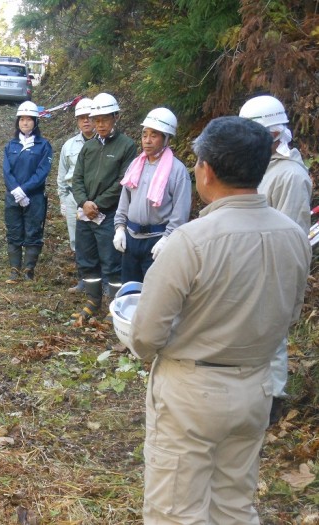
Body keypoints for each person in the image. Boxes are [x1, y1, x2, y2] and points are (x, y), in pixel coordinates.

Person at [131, 116, 311, 525]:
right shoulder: (294, 237)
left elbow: (145, 335)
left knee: (176, 511)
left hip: (193, 390)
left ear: (207, 171)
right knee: (234, 504)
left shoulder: (191, 241)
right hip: (255, 386)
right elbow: (290, 313)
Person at [239, 94, 314, 423]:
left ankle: (272, 402)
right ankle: (252, 395)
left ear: (272, 136)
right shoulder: (262, 168)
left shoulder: (291, 176)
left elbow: (292, 235)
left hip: (273, 270)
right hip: (251, 265)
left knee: (271, 339)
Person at [70, 92, 137, 320]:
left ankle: (116, 305)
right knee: (86, 260)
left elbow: (123, 182)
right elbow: (76, 179)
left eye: (105, 119)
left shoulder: (126, 146)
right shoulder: (88, 147)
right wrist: (84, 202)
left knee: (112, 263)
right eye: (96, 119)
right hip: (86, 214)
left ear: (115, 117)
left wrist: (97, 204)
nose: (100, 124)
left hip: (108, 215)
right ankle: (93, 300)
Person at [113, 108, 191, 283]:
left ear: (166, 138)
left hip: (157, 241)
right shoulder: (136, 165)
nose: (147, 141)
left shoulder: (177, 171)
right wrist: (119, 228)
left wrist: (167, 239)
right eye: (144, 134)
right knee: (129, 289)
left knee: (153, 292)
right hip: (131, 238)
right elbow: (125, 199)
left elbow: (181, 212)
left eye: (154, 135)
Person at [2, 101, 53, 283]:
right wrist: (16, 191)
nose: (25, 123)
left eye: (29, 119)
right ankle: (15, 269)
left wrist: (25, 191)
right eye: (22, 119)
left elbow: (42, 171)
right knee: (14, 231)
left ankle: (29, 269)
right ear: (17, 122)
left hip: (35, 197)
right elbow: (6, 170)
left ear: (36, 122)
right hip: (12, 196)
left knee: (33, 232)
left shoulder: (43, 145)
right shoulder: (11, 146)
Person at [57, 97, 95, 252]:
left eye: (89, 117)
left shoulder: (104, 143)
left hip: (97, 199)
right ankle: (82, 271)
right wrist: (63, 200)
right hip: (74, 198)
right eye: (81, 118)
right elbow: (62, 175)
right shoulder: (69, 145)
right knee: (76, 240)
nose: (85, 121)